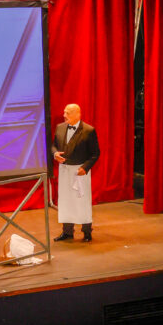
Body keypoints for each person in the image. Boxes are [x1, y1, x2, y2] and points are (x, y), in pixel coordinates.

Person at [51, 103, 99, 242]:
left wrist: (85, 167)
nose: (64, 115)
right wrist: (55, 154)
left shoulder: (88, 130)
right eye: (64, 112)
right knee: (65, 201)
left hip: (80, 171)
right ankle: (67, 231)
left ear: (78, 114)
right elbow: (53, 145)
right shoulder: (60, 128)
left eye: (68, 113)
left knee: (82, 202)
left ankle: (87, 232)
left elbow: (95, 153)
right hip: (64, 170)